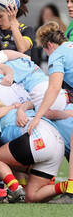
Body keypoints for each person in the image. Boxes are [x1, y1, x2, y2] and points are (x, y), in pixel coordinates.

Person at [28, 21, 73, 203]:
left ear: (48, 46)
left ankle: (71, 192)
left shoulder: (57, 55)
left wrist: (37, 117)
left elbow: (53, 88)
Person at [31, 4, 66, 72]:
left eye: (49, 14)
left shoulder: (60, 30)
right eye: (44, 14)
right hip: (40, 66)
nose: (47, 17)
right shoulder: (36, 31)